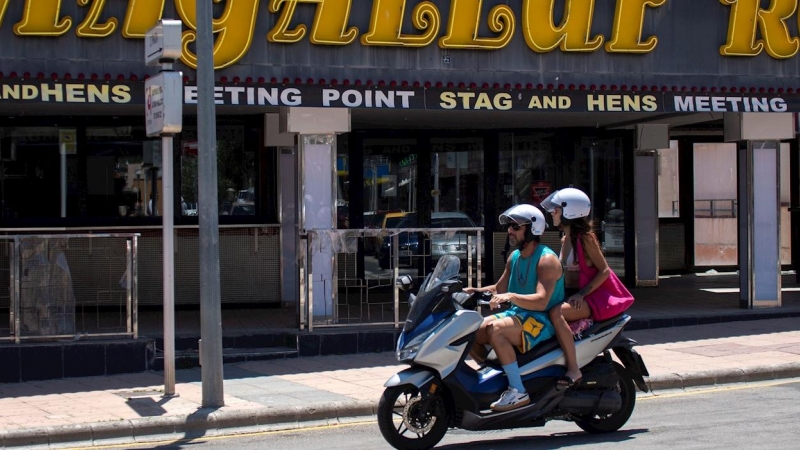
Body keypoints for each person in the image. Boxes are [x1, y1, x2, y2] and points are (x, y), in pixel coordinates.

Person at [464, 204, 565, 412]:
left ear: (532, 229)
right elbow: (499, 289)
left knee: (496, 330)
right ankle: (495, 378)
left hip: (540, 320)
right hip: (519, 314)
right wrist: (474, 290)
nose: (510, 230)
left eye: (515, 226)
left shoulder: (546, 260)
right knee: (469, 330)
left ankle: (518, 390)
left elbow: (542, 301)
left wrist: (510, 296)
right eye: (509, 226)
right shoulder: (515, 257)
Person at [541, 187, 611, 389]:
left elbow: (604, 271)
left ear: (569, 211)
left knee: (555, 313)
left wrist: (582, 293)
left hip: (590, 299)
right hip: (571, 295)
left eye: (556, 210)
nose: (552, 213)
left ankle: (573, 368)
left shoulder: (586, 238)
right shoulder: (566, 240)